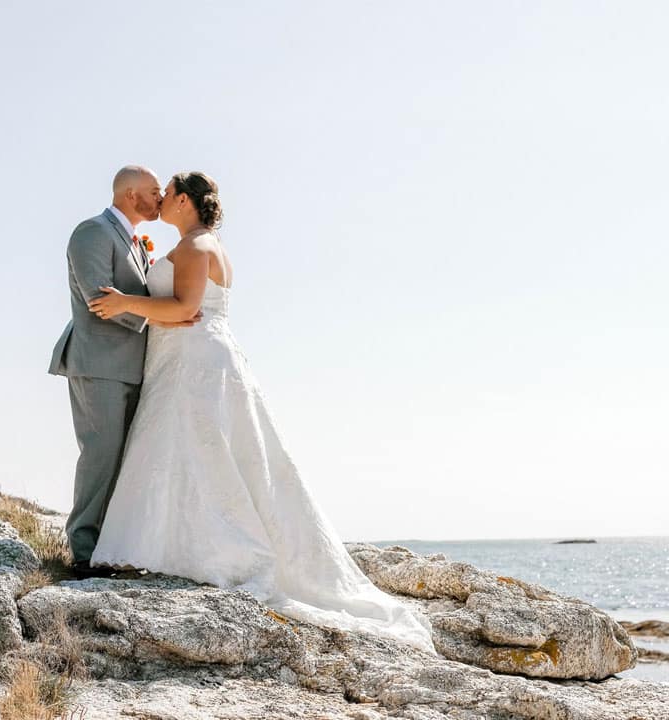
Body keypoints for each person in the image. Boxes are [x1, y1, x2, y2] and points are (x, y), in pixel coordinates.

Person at [86, 172, 435, 653]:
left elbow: (186, 307)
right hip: (199, 355)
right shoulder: (211, 245)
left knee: (197, 452)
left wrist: (128, 301)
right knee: (208, 453)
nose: (161, 199)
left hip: (192, 360)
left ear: (184, 200)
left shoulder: (193, 248)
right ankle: (174, 544)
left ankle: (207, 550)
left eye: (168, 192)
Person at [48, 166, 199, 578]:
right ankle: (83, 552)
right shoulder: (92, 232)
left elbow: (131, 298)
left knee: (124, 459)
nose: (160, 199)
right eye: (154, 192)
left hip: (134, 367)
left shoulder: (137, 242)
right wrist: (160, 318)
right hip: (98, 363)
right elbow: (100, 299)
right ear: (132, 195)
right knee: (100, 454)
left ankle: (110, 547)